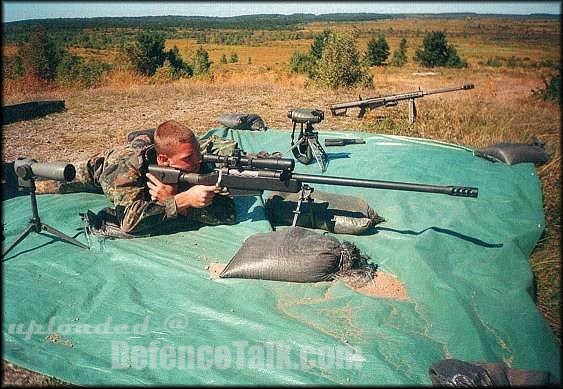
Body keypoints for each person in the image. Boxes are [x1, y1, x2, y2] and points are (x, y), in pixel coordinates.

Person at [35, 120, 238, 236]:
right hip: (105, 167)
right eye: (188, 158)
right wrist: (179, 201)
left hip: (147, 147)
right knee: (54, 178)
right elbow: (128, 223)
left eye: (197, 152)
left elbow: (228, 213)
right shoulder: (126, 168)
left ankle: (142, 136)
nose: (198, 160)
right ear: (163, 159)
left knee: (142, 140)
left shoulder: (194, 158)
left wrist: (175, 196)